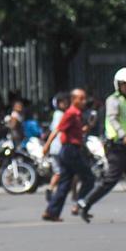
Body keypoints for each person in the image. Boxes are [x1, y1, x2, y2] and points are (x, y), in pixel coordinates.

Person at [76, 68, 126, 223]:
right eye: (124, 84)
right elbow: (113, 120)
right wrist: (124, 136)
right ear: (117, 85)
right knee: (110, 180)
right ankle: (85, 203)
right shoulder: (113, 100)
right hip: (116, 146)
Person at [42, 89, 95, 221]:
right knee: (89, 178)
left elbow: (76, 132)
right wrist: (47, 145)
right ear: (73, 100)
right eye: (80, 99)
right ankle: (80, 205)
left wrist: (88, 127)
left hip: (71, 150)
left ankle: (51, 212)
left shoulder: (77, 114)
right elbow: (58, 129)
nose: (84, 101)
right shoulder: (70, 113)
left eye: (84, 98)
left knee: (64, 184)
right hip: (70, 151)